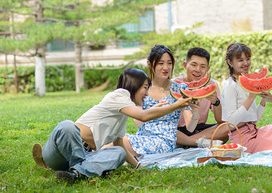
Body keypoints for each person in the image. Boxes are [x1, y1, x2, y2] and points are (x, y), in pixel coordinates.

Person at [32, 68, 191, 184]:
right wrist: (176, 105)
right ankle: (66, 166)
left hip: (84, 155)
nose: (147, 94)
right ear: (133, 85)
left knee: (118, 153)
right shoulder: (119, 95)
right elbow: (143, 115)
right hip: (63, 149)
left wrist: (139, 166)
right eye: (144, 88)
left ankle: (75, 173)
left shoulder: (122, 115)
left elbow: (120, 146)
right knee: (67, 125)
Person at [221, 43, 272, 154]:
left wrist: (264, 99)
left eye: (248, 59)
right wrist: (251, 97)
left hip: (255, 131)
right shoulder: (230, 86)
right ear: (230, 62)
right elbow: (230, 124)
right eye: (240, 60)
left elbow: (254, 119)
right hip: (244, 140)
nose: (246, 63)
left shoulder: (247, 82)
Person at [123, 45, 200, 156]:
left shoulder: (180, 89)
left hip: (164, 143)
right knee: (116, 137)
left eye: (169, 63)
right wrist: (155, 109)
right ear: (150, 64)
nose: (166, 67)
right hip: (141, 138)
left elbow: (190, 127)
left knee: (118, 139)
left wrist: (196, 111)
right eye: (161, 63)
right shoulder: (143, 88)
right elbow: (137, 122)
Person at [174, 47, 229, 146]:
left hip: (200, 130)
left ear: (207, 69)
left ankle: (186, 142)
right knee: (167, 129)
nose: (198, 70)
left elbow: (220, 120)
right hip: (177, 130)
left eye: (203, 66)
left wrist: (216, 102)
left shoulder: (212, 85)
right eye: (193, 65)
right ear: (185, 65)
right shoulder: (174, 84)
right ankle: (197, 142)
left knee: (227, 127)